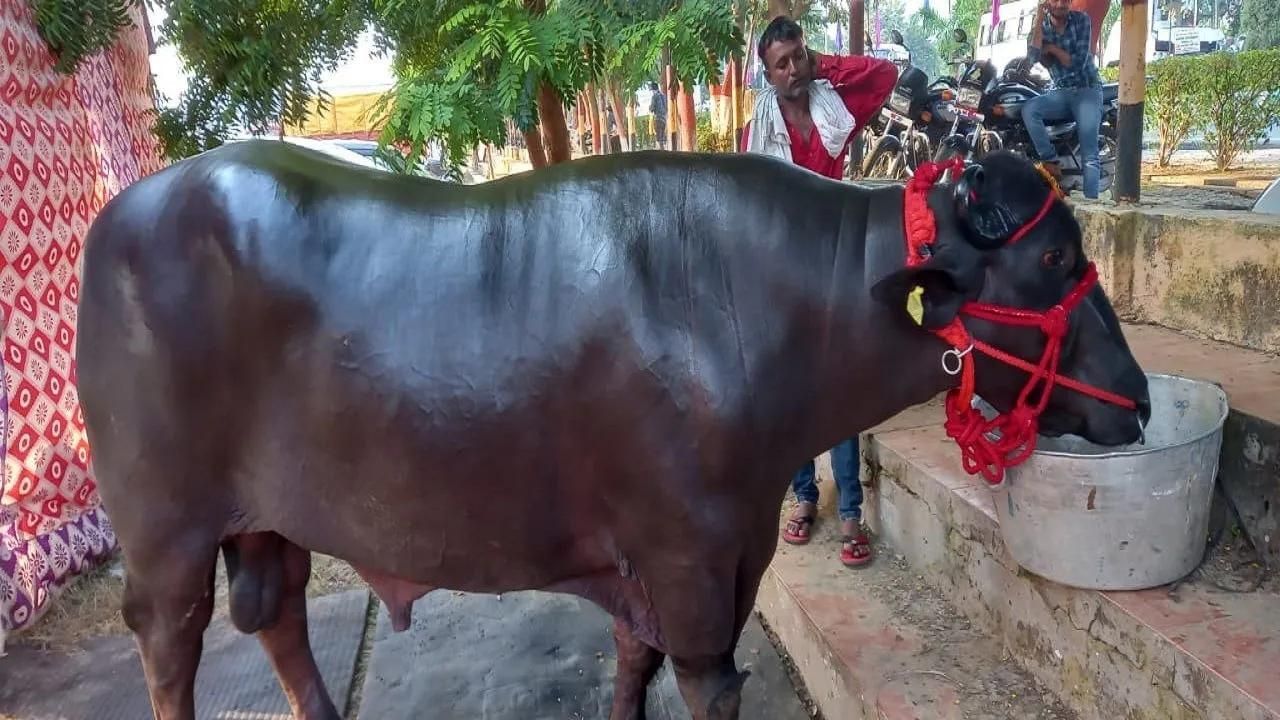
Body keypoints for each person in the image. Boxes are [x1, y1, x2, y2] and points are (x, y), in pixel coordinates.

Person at [741, 15, 897, 567]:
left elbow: (883, 74)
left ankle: (850, 509)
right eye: (781, 64)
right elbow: (749, 200)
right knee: (796, 391)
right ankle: (806, 496)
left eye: (797, 57)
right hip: (786, 270)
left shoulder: (831, 103)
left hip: (835, 261)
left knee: (840, 387)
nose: (793, 70)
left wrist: (820, 64)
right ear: (766, 74)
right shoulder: (758, 129)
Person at [1026, 0, 1104, 199]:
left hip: (1086, 88)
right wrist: (1038, 21)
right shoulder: (1041, 28)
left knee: (1090, 153)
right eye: (1055, 0)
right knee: (1029, 109)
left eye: (1065, 0)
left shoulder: (1081, 20)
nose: (1060, 4)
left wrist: (1051, 49)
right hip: (1060, 92)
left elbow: (1076, 63)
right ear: (1047, 3)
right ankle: (1050, 160)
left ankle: (1091, 203)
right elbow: (1032, 57)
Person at [648, 81, 668, 149]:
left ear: (653, 90)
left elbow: (652, 108)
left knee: (658, 139)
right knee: (662, 138)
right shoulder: (664, 96)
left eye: (652, 90)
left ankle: (661, 154)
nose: (652, 92)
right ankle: (663, 152)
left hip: (658, 119)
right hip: (664, 119)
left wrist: (649, 107)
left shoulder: (654, 96)